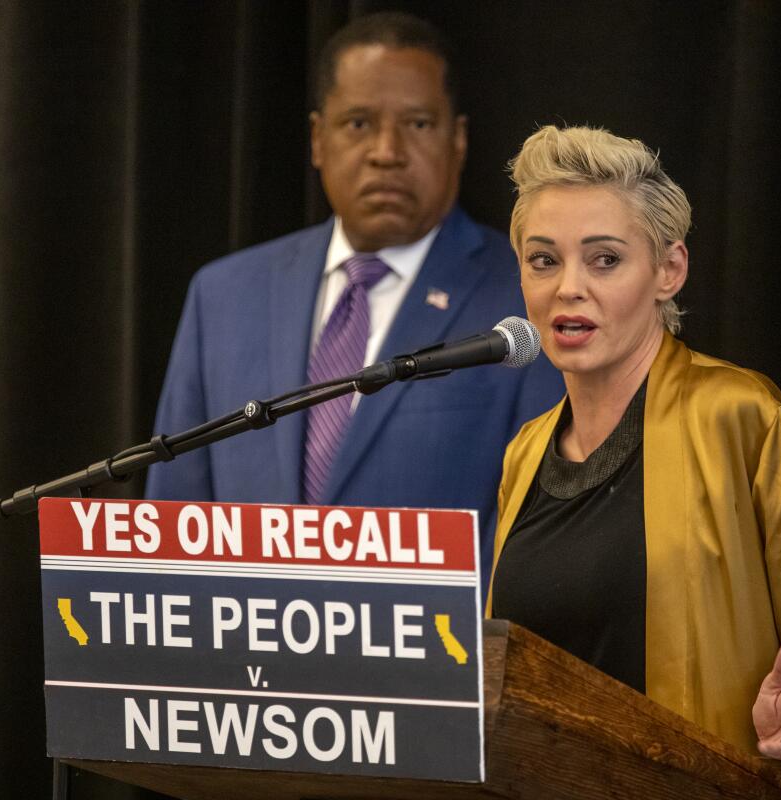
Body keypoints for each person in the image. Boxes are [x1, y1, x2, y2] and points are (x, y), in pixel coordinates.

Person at [486, 125, 781, 772]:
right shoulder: (525, 451)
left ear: (669, 270)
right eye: (544, 260)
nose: (568, 286)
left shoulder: (743, 417)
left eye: (604, 259)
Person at [146, 13, 562, 584]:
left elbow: (539, 538)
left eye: (417, 124)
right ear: (318, 140)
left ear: (458, 141)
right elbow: (172, 523)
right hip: (245, 664)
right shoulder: (223, 295)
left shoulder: (528, 296)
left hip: (439, 660)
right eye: (359, 123)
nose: (386, 152)